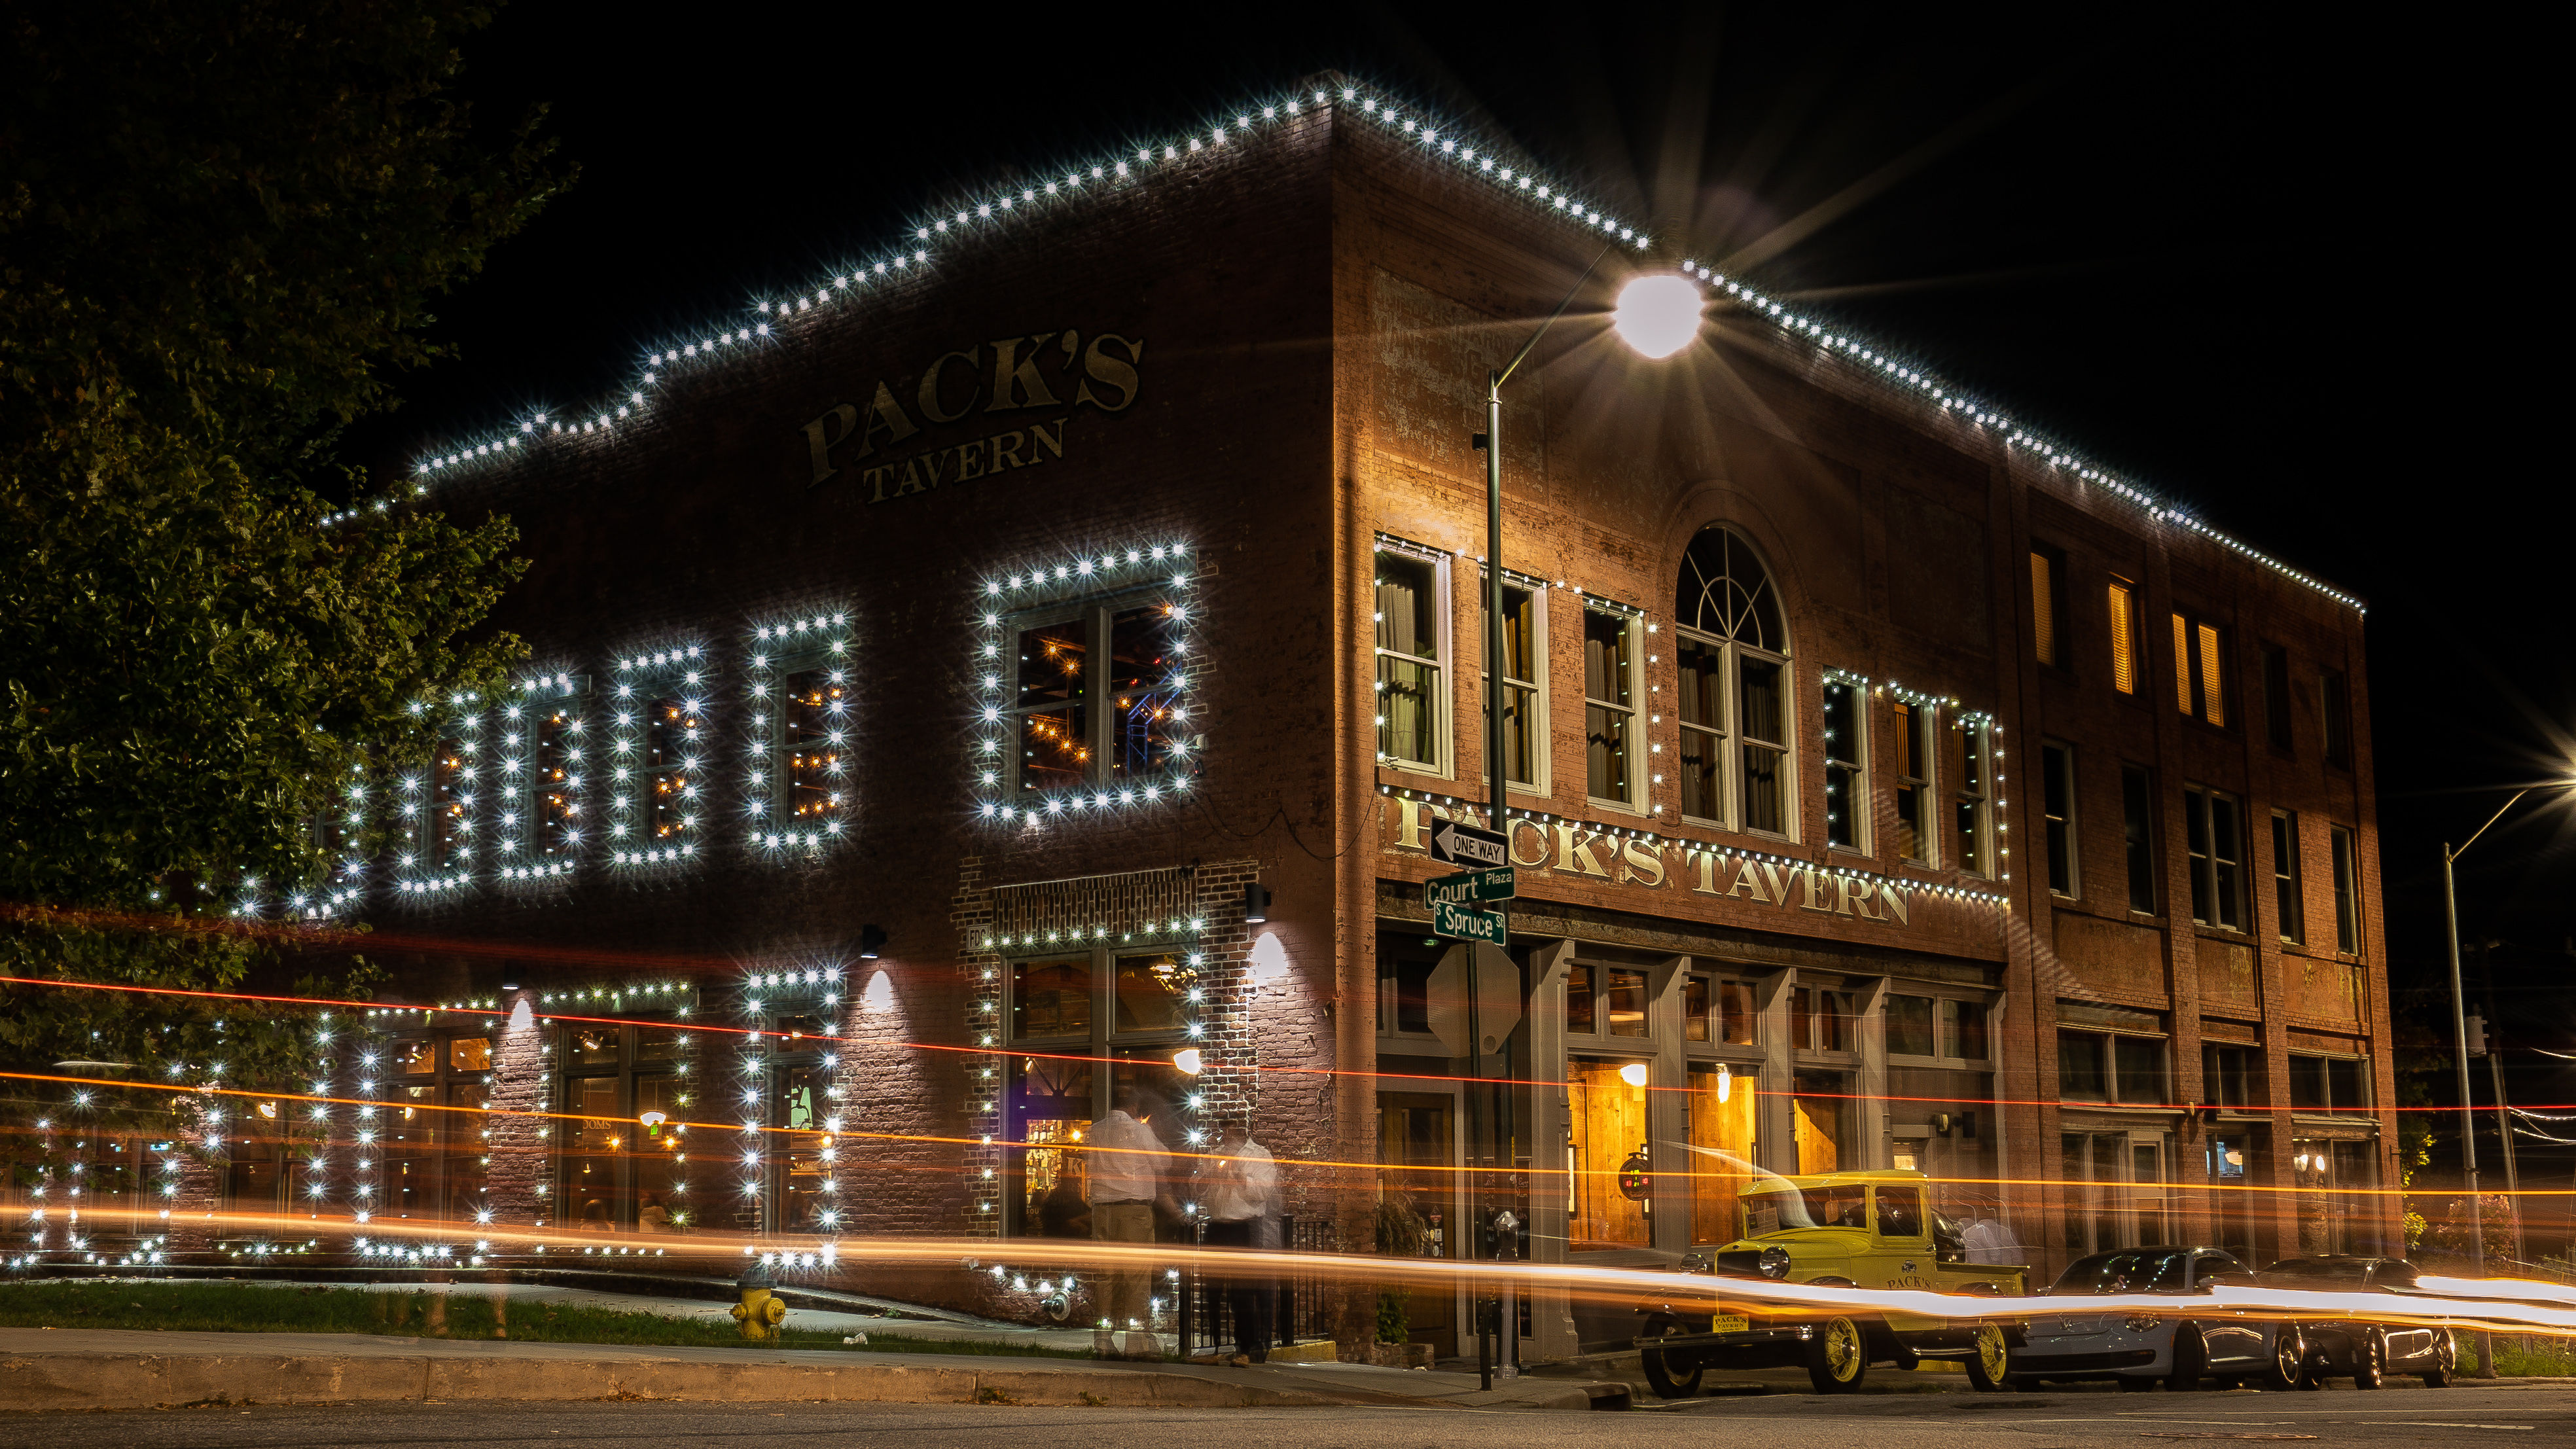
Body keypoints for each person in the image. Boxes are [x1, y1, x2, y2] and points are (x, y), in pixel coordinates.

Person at [1084, 1082, 1168, 1357]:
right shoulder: (1139, 1130)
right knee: (1137, 1275)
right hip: (1134, 1209)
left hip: (1102, 1210)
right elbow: (1163, 1162)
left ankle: (1103, 1342)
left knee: (1106, 1277)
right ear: (1133, 1108)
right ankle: (1136, 1342)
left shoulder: (1095, 1131)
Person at [1196, 1117, 1281, 1365]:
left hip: (1243, 1227)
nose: (1225, 1135)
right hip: (1216, 1225)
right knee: (1212, 1289)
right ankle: (1213, 1348)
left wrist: (1238, 1175)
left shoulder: (1259, 1155)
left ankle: (1246, 1348)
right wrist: (1209, 1175)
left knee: (1242, 1291)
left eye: (1229, 1130)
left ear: (1241, 1131)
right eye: (1223, 1130)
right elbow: (1197, 1188)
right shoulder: (1215, 1153)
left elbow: (1262, 1193)